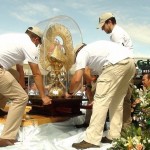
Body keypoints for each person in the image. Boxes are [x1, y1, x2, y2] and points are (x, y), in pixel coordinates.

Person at [66, 41, 135, 149]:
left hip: (116, 64)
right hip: (130, 63)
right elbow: (92, 78)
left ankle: (92, 139)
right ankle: (114, 135)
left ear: (77, 52)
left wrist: (69, 92)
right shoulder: (97, 50)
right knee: (116, 102)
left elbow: (77, 79)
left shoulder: (82, 53)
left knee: (100, 101)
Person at [0, 26, 51, 147]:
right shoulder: (29, 45)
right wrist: (43, 97)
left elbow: (19, 71)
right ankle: (6, 137)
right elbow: (36, 73)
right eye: (38, 43)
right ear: (36, 39)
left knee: (14, 74)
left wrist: (21, 89)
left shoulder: (15, 40)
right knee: (21, 98)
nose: (38, 46)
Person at [97, 12, 134, 129]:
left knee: (123, 100)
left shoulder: (116, 34)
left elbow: (118, 55)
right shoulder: (117, 33)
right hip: (127, 67)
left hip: (124, 67)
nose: (103, 29)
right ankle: (122, 128)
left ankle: (125, 128)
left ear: (109, 22)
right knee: (121, 100)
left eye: (103, 26)